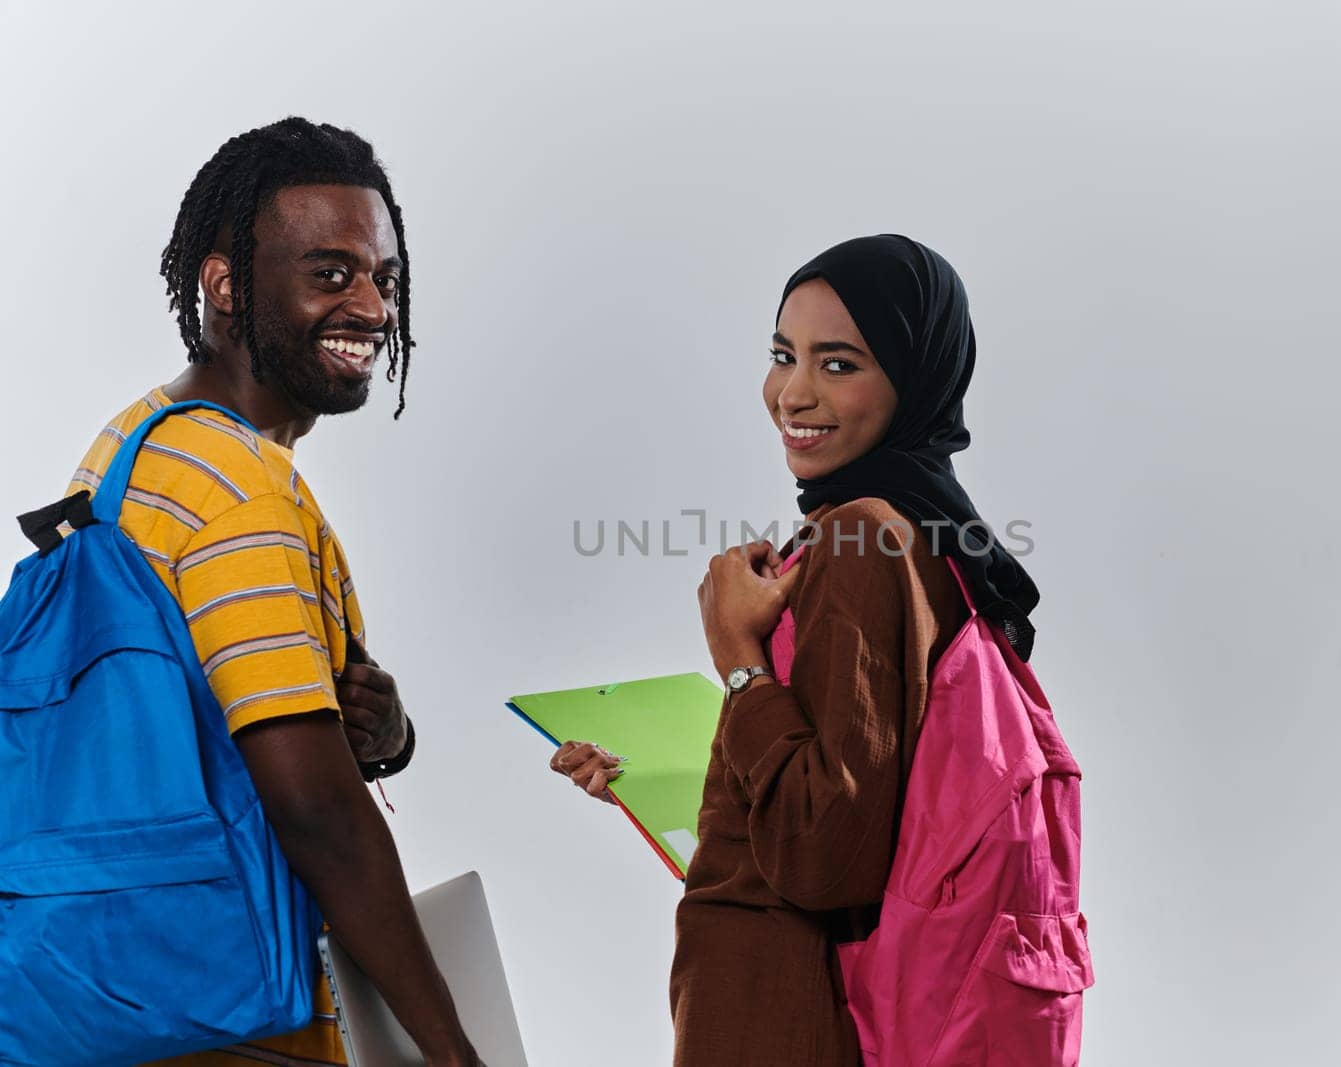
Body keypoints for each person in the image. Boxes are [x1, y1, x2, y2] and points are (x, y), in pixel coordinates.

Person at [551, 234, 1043, 1064]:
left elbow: (824, 856)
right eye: (784, 355)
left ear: (914, 376)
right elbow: (868, 790)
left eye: (840, 364)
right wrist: (684, 783)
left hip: (790, 1026)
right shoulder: (926, 539)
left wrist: (738, 656)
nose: (793, 392)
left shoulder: (861, 540)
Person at [65, 118, 479, 1067]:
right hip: (230, 1018)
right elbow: (317, 815)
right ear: (224, 285)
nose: (371, 306)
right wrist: (453, 1050)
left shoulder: (137, 444)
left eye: (385, 277)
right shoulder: (239, 486)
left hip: (109, 987)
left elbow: (191, 717)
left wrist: (378, 733)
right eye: (330, 274)